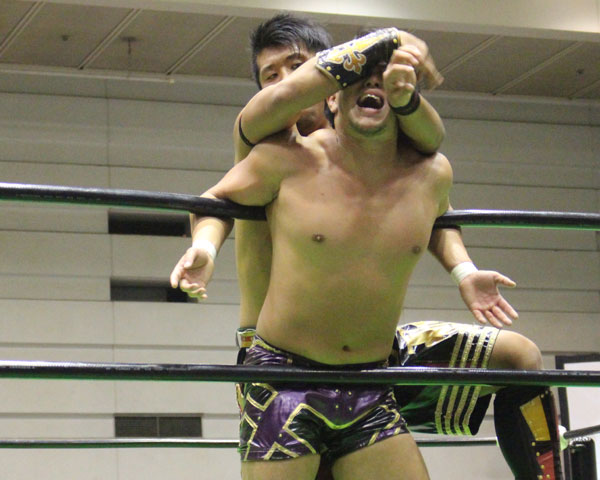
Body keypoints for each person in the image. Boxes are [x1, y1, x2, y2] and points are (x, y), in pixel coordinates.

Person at [171, 18, 563, 480]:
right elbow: (217, 198)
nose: (286, 83)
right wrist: (205, 247)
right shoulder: (267, 143)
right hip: (283, 364)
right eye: (269, 75)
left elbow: (431, 205)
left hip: (373, 360)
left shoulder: (397, 149)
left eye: (296, 67)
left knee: (520, 356)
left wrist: (463, 270)